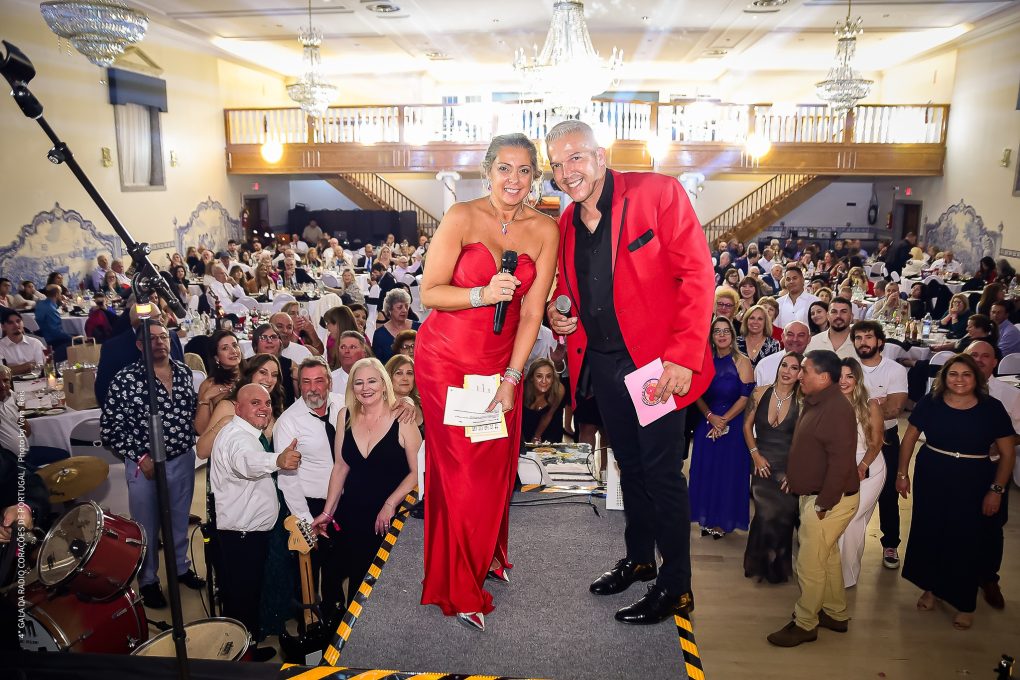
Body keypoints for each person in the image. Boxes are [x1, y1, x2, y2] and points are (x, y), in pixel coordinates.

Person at [546, 120, 714, 624]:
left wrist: (683, 356)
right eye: (556, 165)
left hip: (656, 366)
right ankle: (640, 559)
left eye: (575, 158)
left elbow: (697, 274)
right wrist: (559, 313)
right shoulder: (566, 221)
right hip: (602, 364)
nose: (566, 172)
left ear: (601, 156)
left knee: (661, 475)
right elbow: (570, 289)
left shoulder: (658, 193)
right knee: (630, 467)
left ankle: (677, 587)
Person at [416, 132, 557, 631]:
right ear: (487, 170)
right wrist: (481, 293)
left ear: (534, 176)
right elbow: (430, 293)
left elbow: (533, 312)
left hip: (499, 365)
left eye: (524, 170)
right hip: (445, 362)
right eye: (504, 168)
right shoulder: (461, 216)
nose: (514, 179)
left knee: (494, 467)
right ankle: (459, 585)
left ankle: (486, 553)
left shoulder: (545, 229)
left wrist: (514, 377)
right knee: (462, 474)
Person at [896, 354, 1014, 630]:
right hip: (932, 474)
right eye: (953, 374)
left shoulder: (992, 408)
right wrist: (902, 474)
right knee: (930, 531)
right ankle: (931, 588)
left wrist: (996, 490)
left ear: (976, 378)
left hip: (974, 479)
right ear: (944, 377)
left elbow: (1008, 454)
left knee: (966, 538)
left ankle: (964, 601)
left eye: (966, 374)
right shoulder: (931, 402)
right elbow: (910, 437)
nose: (959, 380)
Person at [99, 319, 204, 609]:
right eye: (152, 338)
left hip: (182, 459)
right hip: (144, 465)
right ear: (139, 345)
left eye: (163, 337)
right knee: (146, 525)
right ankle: (148, 580)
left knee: (179, 520)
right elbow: (109, 429)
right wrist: (140, 456)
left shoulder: (183, 373)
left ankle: (180, 568)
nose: (159, 342)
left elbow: (192, 416)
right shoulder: (125, 379)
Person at [767, 350, 859, 647]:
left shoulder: (836, 410)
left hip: (829, 500)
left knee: (810, 564)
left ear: (824, 377)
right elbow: (811, 449)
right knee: (827, 557)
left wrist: (823, 503)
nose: (799, 375)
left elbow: (841, 462)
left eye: (805, 370)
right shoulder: (817, 401)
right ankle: (835, 612)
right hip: (817, 494)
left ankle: (805, 622)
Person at [311, 358, 421, 604]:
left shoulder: (403, 417)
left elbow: (417, 472)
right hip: (351, 515)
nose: (365, 388)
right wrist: (327, 512)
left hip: (387, 520)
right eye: (358, 383)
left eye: (372, 381)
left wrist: (390, 504)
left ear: (383, 383)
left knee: (375, 592)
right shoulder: (345, 416)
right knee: (336, 580)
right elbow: (341, 467)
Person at [210, 383, 299, 663]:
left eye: (267, 403)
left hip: (246, 534)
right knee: (242, 600)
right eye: (255, 403)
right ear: (238, 408)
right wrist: (278, 460)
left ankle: (244, 651)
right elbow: (245, 463)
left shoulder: (246, 433)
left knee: (244, 598)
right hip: (242, 537)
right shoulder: (239, 438)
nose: (264, 408)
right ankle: (242, 661)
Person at [962, 341, 1018, 610]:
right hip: (957, 468)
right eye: (973, 355)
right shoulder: (951, 388)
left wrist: (1001, 443)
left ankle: (988, 578)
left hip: (993, 468)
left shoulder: (1009, 394)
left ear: (995, 362)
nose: (979, 360)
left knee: (992, 524)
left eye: (985, 356)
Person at [690, 316, 754, 538]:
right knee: (706, 470)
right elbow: (696, 393)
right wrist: (710, 416)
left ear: (732, 335)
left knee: (727, 474)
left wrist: (723, 420)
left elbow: (745, 397)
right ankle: (707, 516)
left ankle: (723, 521)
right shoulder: (703, 361)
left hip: (733, 424)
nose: (722, 335)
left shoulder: (742, 361)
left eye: (726, 330)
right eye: (717, 331)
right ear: (711, 336)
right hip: (707, 421)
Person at [742, 352, 802, 584]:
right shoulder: (759, 392)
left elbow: (804, 441)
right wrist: (755, 455)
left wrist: (794, 472)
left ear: (800, 374)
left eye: (794, 368)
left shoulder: (803, 401)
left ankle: (777, 567)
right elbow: (747, 427)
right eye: (784, 365)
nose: (787, 371)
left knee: (784, 518)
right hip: (761, 463)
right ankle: (759, 564)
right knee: (764, 514)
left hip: (789, 466)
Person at [835, 358, 886, 588]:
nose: (843, 381)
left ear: (857, 379)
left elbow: (877, 442)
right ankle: (834, 571)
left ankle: (847, 576)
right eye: (840, 376)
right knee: (839, 520)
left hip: (869, 468)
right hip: (839, 469)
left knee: (853, 519)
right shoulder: (828, 403)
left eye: (849, 376)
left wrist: (862, 466)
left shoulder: (870, 405)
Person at [195, 330, 244, 434]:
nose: (233, 351)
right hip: (223, 438)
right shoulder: (209, 385)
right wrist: (206, 398)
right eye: (225, 348)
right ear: (216, 357)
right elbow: (202, 430)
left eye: (235, 345)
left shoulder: (252, 376)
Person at [521, 358, 565, 444]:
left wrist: (536, 437)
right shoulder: (522, 389)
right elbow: (516, 419)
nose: (544, 381)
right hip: (523, 427)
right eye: (539, 376)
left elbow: (548, 415)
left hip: (550, 428)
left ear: (553, 378)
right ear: (531, 378)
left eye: (548, 376)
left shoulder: (559, 389)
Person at [755, 321, 811, 388]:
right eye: (790, 334)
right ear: (783, 337)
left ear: (809, 339)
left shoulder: (816, 366)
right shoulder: (764, 365)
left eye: (801, 335)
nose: (795, 339)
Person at [372, 288, 419, 364]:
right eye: (399, 307)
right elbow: (377, 363)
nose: (404, 310)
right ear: (390, 309)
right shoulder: (380, 334)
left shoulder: (419, 328)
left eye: (406, 306)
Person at [0, 310, 46, 376]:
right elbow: (2, 373)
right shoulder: (1, 346)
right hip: (11, 382)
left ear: (23, 323)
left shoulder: (35, 343)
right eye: (10, 323)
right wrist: (28, 366)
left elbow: (42, 367)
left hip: (37, 380)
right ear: (3, 327)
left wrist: (13, 369)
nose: (16, 325)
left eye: (18, 321)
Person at [34, 285, 72, 362]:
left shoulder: (40, 304)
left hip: (41, 335)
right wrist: (72, 337)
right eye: (60, 293)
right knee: (79, 340)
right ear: (57, 294)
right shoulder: (51, 309)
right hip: (51, 339)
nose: (61, 296)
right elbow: (56, 332)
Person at [386, 354, 423, 428]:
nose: (405, 378)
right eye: (399, 373)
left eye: (409, 373)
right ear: (389, 377)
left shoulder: (424, 405)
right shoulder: (381, 408)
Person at [331, 330, 369, 396]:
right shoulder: (330, 381)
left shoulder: (374, 378)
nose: (346, 351)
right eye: (343, 347)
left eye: (352, 347)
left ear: (364, 353)